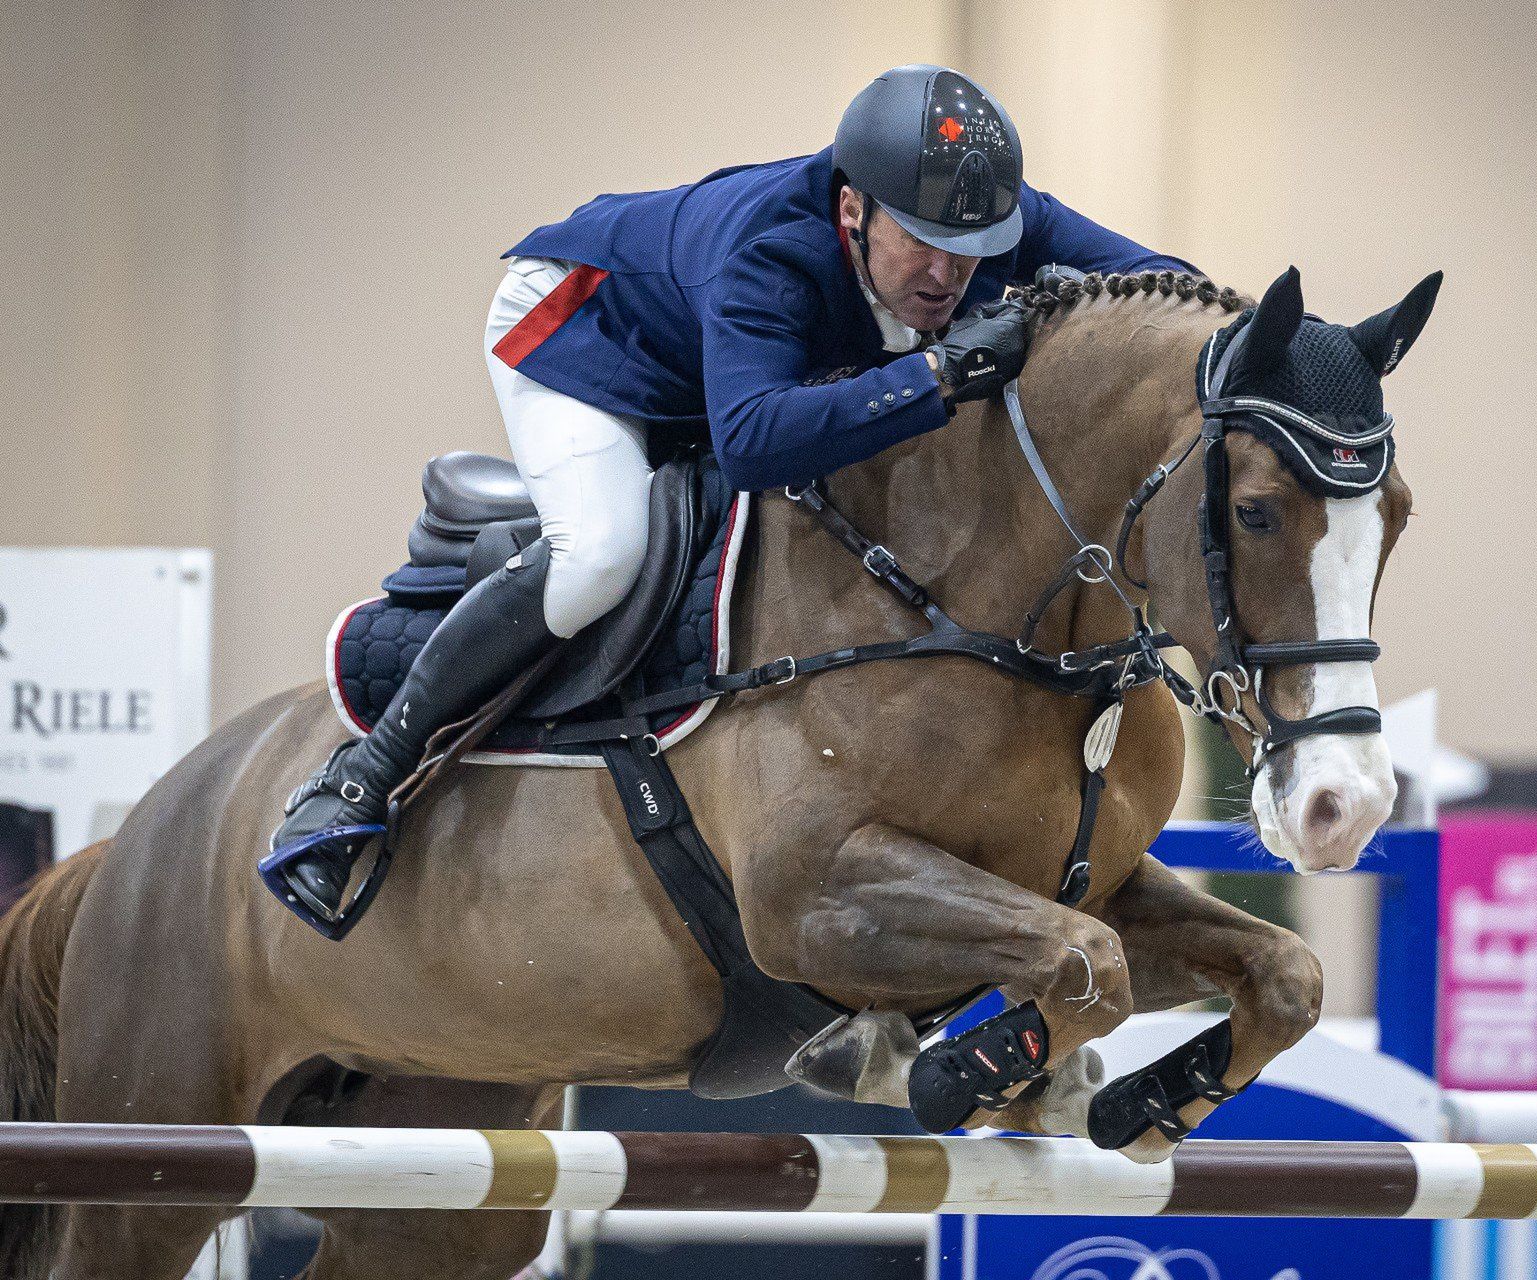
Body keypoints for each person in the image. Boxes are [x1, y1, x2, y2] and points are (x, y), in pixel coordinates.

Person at [265, 63, 1197, 932]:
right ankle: (362, 777)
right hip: (583, 336)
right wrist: (939, 379)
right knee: (601, 554)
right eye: (924, 246)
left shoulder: (983, 214)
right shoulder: (768, 251)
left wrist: (1294, 357)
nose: (949, 277)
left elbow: (1174, 297)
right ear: (852, 208)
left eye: (973, 253)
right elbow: (752, 443)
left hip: (725, 371)